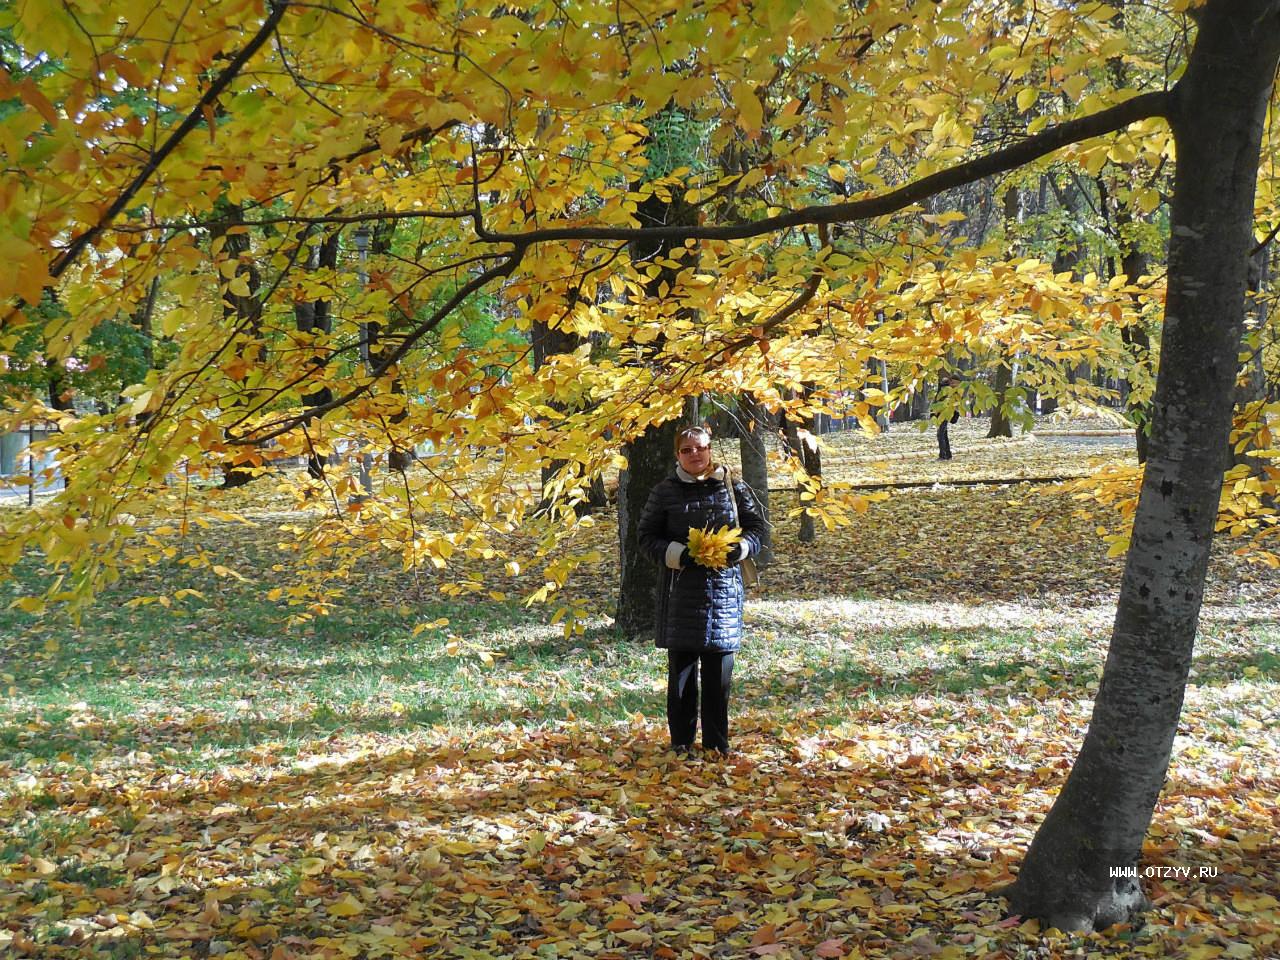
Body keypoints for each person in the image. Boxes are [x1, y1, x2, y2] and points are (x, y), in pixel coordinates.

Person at [637, 425, 766, 754]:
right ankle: (681, 744)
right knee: (680, 679)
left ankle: (716, 746)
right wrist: (679, 555)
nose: (695, 454)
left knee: (718, 680)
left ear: (711, 449)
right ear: (677, 454)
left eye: (701, 448)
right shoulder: (664, 492)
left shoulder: (732, 486)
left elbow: (756, 529)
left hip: (723, 595)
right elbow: (646, 538)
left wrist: (741, 549)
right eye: (686, 450)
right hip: (681, 595)